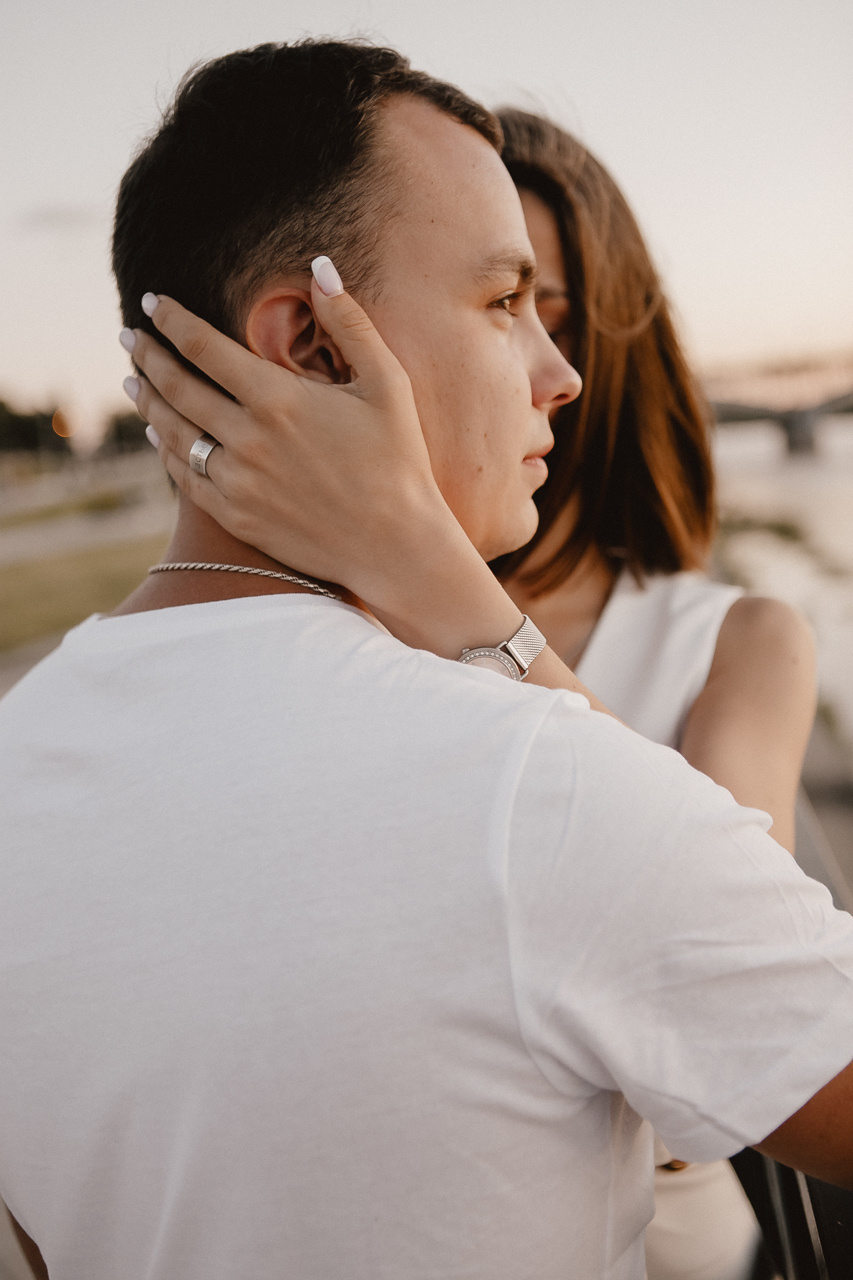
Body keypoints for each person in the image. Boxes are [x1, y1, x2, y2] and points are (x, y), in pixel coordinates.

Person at [2, 41, 853, 1280]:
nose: (560, 374)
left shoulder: (20, 760)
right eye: (505, 303)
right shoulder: (526, 779)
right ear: (312, 346)